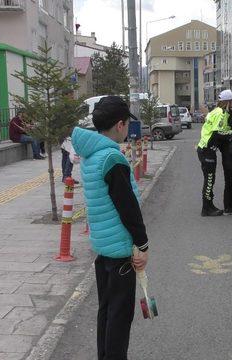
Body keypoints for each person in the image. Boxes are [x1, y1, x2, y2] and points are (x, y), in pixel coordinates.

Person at [71, 96, 149, 360]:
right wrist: (142, 244)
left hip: (103, 248)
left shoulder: (91, 154)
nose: (128, 128)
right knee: (119, 316)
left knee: (106, 310)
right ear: (119, 124)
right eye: (127, 124)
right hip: (119, 249)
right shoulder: (112, 159)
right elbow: (128, 208)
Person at [196, 89, 232, 217]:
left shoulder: (215, 112)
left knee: (210, 179)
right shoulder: (221, 113)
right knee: (209, 180)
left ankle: (209, 205)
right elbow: (216, 133)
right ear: (227, 101)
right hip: (207, 150)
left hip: (206, 149)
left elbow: (219, 129)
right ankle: (206, 208)